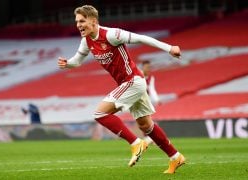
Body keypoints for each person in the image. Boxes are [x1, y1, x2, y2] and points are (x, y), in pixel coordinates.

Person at [58, 5, 185, 174]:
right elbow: (78, 60)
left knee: (100, 113)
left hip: (133, 81)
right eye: (77, 22)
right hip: (129, 84)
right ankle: (175, 157)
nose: (78, 25)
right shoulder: (87, 40)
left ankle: (136, 143)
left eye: (82, 21)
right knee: (146, 125)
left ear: (93, 21)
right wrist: (68, 63)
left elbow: (141, 38)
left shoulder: (111, 34)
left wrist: (169, 48)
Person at [141, 60, 160, 145]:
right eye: (147, 67)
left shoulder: (151, 78)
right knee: (144, 120)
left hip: (146, 101)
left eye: (149, 67)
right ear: (143, 67)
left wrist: (157, 99)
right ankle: (149, 138)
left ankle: (148, 138)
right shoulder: (138, 75)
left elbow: (152, 89)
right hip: (138, 101)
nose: (148, 69)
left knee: (146, 119)